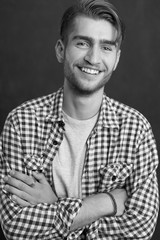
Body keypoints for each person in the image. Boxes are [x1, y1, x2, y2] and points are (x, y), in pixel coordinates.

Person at [0, 0, 159, 239]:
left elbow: (141, 228)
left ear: (116, 59)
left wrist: (55, 204)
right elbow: (15, 227)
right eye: (83, 43)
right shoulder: (20, 123)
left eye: (106, 47)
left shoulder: (136, 130)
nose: (93, 58)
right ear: (61, 49)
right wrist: (104, 203)